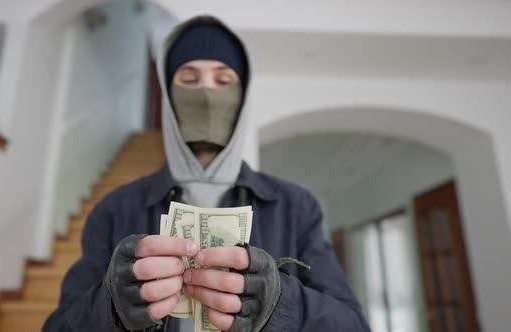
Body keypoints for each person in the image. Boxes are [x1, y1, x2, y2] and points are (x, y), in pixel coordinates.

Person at [43, 15, 370, 332]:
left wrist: (282, 305)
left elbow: (353, 325)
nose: (207, 93)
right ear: (168, 97)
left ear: (243, 97)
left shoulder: (296, 206)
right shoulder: (115, 209)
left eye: (223, 80)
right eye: (189, 79)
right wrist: (110, 309)